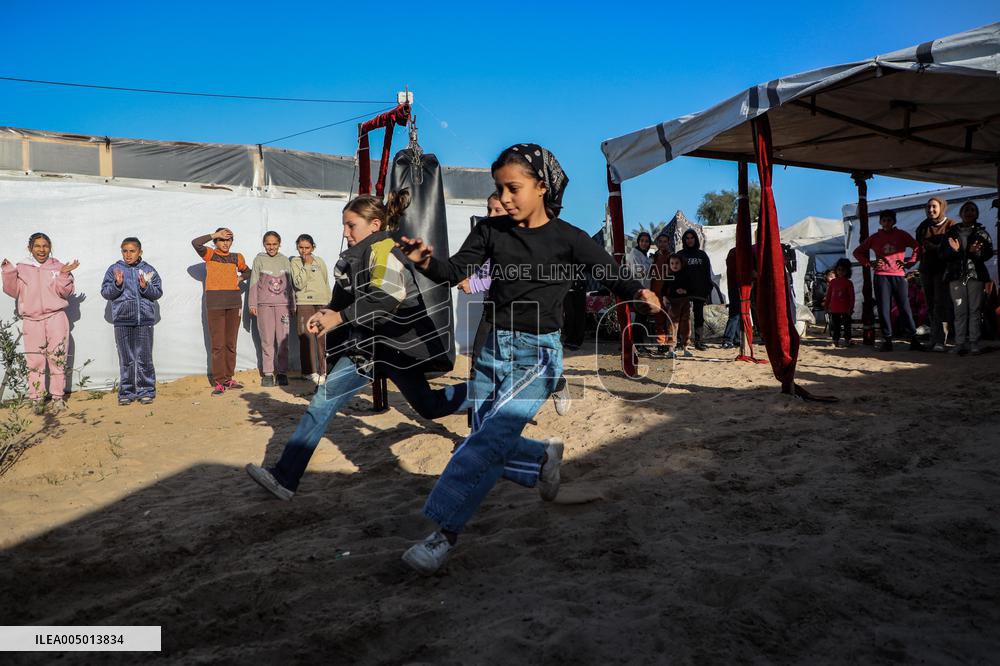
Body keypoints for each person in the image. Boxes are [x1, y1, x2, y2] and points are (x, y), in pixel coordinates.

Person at [397, 143, 659, 575]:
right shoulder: (489, 232)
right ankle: (540, 457)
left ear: (542, 187)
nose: (503, 197)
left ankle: (442, 534)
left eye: (513, 188)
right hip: (491, 352)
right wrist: (426, 261)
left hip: (537, 356)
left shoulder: (568, 238)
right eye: (499, 188)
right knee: (488, 439)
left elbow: (611, 274)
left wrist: (639, 293)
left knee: (482, 443)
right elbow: (454, 272)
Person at [245, 190, 472, 499]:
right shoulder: (359, 254)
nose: (345, 232)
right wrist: (327, 312)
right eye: (344, 225)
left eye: (351, 225)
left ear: (374, 224)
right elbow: (345, 295)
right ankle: (285, 478)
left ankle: (486, 394)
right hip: (372, 347)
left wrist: (339, 318)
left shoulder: (384, 248)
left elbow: (389, 297)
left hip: (392, 346)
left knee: (424, 407)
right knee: (333, 404)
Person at [2, 233, 78, 414]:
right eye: (37, 246)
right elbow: (12, 291)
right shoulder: (22, 268)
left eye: (45, 246)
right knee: (34, 361)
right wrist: (8, 272)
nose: (42, 250)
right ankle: (36, 399)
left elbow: (64, 292)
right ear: (30, 248)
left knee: (57, 358)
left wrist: (65, 274)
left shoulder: (58, 266)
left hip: (56, 318)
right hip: (31, 320)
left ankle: (58, 397)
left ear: (50, 247)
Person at [100, 237, 163, 406]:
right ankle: (126, 391)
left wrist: (145, 287)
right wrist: (117, 284)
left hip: (144, 320)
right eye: (124, 251)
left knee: (144, 358)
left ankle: (146, 390)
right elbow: (106, 292)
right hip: (122, 320)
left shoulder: (149, 270)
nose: (128, 254)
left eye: (132, 251)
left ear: (140, 252)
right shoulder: (114, 269)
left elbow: (157, 293)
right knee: (126, 358)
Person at [852, 210, 922, 352]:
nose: (887, 222)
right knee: (884, 309)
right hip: (881, 275)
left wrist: (910, 263)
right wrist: (869, 263)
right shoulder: (875, 237)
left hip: (898, 275)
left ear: (894, 221)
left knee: (904, 307)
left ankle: (913, 339)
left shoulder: (901, 235)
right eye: (884, 220)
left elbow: (916, 246)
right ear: (880, 222)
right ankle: (887, 339)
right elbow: (857, 252)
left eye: (889, 220)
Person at [192, 228, 250, 395]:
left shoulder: (237, 257)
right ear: (215, 242)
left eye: (228, 240)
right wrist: (214, 234)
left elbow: (248, 271)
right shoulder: (210, 254)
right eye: (221, 240)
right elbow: (195, 243)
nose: (225, 243)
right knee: (218, 344)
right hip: (215, 304)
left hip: (234, 303)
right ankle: (219, 381)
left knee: (231, 343)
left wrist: (239, 278)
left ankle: (229, 378)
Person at [942, 201, 994, 355]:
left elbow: (988, 253)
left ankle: (974, 343)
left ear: (977, 214)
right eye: (966, 210)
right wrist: (956, 251)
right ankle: (959, 343)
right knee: (959, 311)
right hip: (956, 275)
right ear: (961, 213)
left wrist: (973, 252)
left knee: (975, 310)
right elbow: (943, 254)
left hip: (975, 274)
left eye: (972, 210)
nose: (969, 212)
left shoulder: (982, 233)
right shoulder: (951, 232)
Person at [249, 231, 294, 387]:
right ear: (264, 244)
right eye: (268, 244)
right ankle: (268, 373)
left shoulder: (285, 261)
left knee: (283, 340)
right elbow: (253, 282)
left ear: (279, 243)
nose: (271, 247)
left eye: (274, 244)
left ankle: (281, 372)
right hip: (264, 306)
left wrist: (292, 304)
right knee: (267, 339)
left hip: (283, 305)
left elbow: (290, 283)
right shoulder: (259, 260)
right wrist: (252, 304)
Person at [915, 196, 956, 351]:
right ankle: (933, 339)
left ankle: (941, 340)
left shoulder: (951, 225)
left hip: (943, 270)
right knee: (930, 305)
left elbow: (953, 248)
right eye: (928, 207)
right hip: (926, 269)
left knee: (941, 304)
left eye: (934, 206)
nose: (930, 210)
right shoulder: (923, 226)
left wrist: (935, 247)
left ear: (942, 207)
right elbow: (919, 246)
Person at [289, 234, 331, 385]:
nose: (304, 251)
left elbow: (326, 281)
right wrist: (306, 264)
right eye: (301, 247)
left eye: (307, 247)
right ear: (297, 247)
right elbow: (298, 283)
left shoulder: (320, 261)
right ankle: (309, 371)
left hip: (322, 302)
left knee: (322, 337)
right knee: (306, 336)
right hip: (304, 302)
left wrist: (329, 302)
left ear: (313, 247)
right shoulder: (295, 261)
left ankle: (323, 371)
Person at [677, 229, 713, 350]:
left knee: (699, 317)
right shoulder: (680, 255)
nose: (689, 240)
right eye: (687, 238)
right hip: (683, 292)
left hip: (699, 291)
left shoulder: (702, 255)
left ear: (695, 239)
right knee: (682, 316)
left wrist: (708, 289)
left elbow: (707, 274)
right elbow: (675, 273)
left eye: (692, 237)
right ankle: (680, 342)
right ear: (684, 240)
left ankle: (699, 342)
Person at [664, 254, 692, 359]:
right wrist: (664, 297)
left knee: (686, 325)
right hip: (673, 302)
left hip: (685, 302)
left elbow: (692, 288)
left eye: (677, 263)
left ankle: (686, 348)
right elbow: (664, 289)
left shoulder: (686, 275)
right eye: (672, 263)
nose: (674, 265)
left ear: (681, 264)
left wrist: (685, 291)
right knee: (672, 325)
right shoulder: (668, 276)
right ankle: (671, 349)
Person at [824, 258, 854, 347]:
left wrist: (851, 308)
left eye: (843, 270)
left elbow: (852, 297)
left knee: (847, 326)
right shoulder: (833, 282)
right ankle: (835, 340)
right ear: (836, 270)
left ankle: (847, 340)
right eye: (839, 269)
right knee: (836, 326)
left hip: (846, 308)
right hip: (834, 308)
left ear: (847, 271)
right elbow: (829, 295)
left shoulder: (849, 283)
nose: (840, 272)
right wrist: (826, 306)